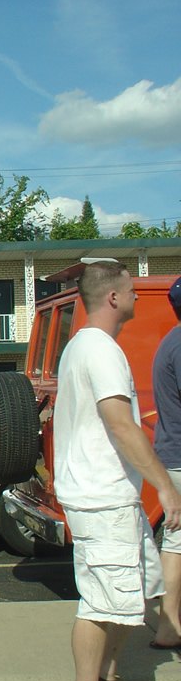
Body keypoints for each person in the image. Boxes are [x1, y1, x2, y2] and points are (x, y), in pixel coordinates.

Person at [54, 261, 181, 681]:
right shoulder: (101, 350)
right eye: (130, 290)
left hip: (112, 497)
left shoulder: (82, 346)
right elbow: (121, 424)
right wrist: (165, 486)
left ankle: (106, 680)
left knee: (136, 594)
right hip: (101, 497)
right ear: (112, 298)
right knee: (101, 603)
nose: (136, 297)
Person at [150, 276, 181, 651]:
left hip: (172, 455)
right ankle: (170, 627)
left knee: (175, 543)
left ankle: (169, 626)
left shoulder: (169, 343)